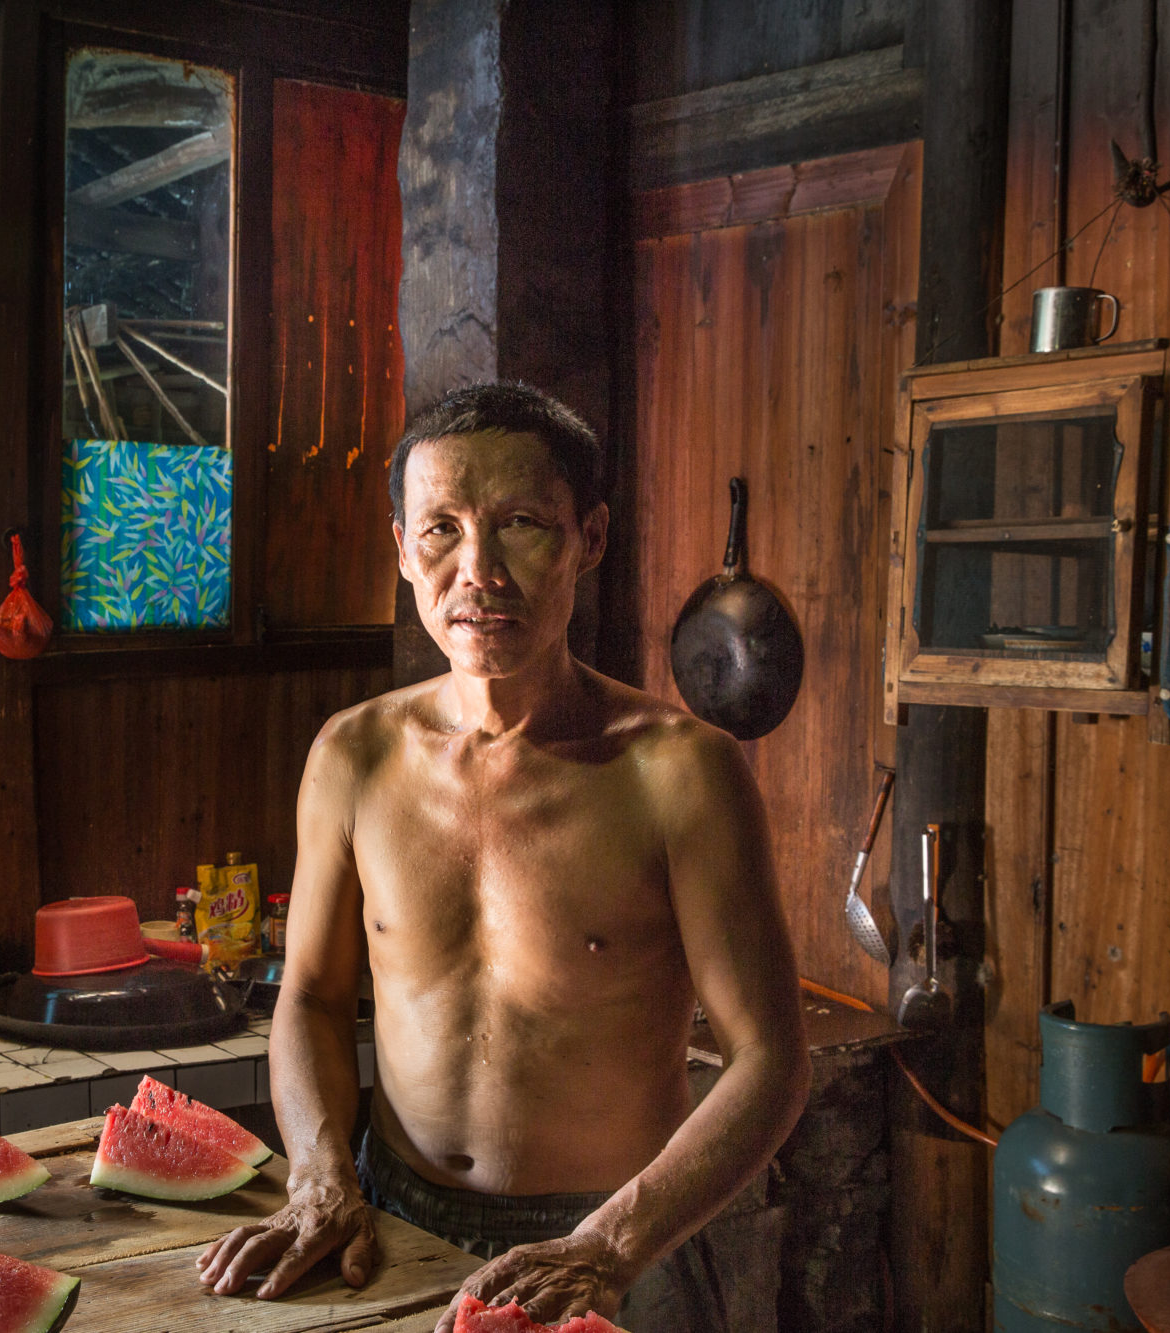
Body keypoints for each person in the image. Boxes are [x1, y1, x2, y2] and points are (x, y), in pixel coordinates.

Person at [196, 382, 810, 1331]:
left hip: (616, 1240)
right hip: (395, 1226)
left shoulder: (683, 774)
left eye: (522, 523)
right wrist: (319, 1176)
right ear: (403, 547)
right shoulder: (351, 756)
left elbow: (769, 1060)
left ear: (589, 539)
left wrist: (608, 1244)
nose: (477, 571)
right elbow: (311, 998)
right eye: (440, 529)